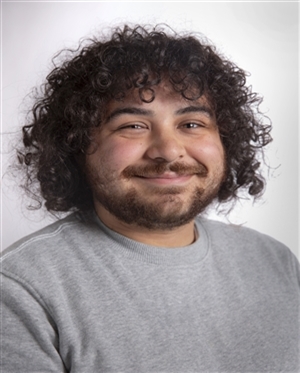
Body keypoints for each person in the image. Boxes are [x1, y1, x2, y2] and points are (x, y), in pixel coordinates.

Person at [1, 24, 299, 373]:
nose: (168, 150)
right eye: (133, 126)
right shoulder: (21, 289)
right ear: (77, 145)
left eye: (191, 124)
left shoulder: (276, 262)